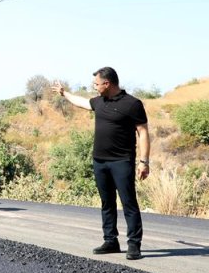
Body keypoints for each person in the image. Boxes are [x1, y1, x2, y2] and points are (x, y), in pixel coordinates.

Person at [52, 66, 150, 260]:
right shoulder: (99, 101)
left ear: (107, 83)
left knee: (128, 202)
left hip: (122, 161)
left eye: (96, 84)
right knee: (107, 203)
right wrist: (64, 93)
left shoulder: (132, 104)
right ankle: (111, 241)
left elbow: (144, 133)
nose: (94, 87)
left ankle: (134, 244)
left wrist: (144, 161)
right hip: (100, 161)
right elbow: (81, 102)